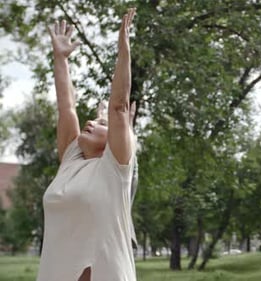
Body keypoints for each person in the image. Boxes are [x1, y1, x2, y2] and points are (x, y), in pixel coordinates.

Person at [36, 8, 137, 281]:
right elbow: (66, 107)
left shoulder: (114, 170)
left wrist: (123, 50)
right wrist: (60, 58)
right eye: (92, 120)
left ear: (114, 139)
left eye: (100, 124)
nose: (91, 123)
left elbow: (118, 107)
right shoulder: (71, 161)